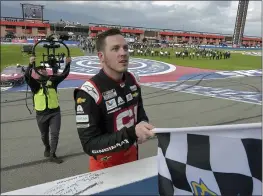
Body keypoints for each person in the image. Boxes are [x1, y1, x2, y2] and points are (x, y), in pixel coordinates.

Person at [73, 28, 155, 172]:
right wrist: (131, 134)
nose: (123, 53)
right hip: (106, 170)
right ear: (101, 56)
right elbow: (90, 145)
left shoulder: (133, 80)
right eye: (115, 49)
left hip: (133, 160)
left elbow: (140, 112)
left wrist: (143, 122)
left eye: (125, 48)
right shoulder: (88, 92)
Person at [24, 56, 71, 164]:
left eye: (43, 69)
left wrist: (68, 63)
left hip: (55, 112)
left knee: (55, 133)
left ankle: (52, 154)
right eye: (39, 69)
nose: (42, 70)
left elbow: (64, 74)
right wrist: (30, 64)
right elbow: (27, 76)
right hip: (41, 114)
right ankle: (47, 147)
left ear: (46, 71)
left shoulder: (53, 80)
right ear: (36, 72)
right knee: (44, 135)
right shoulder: (34, 84)